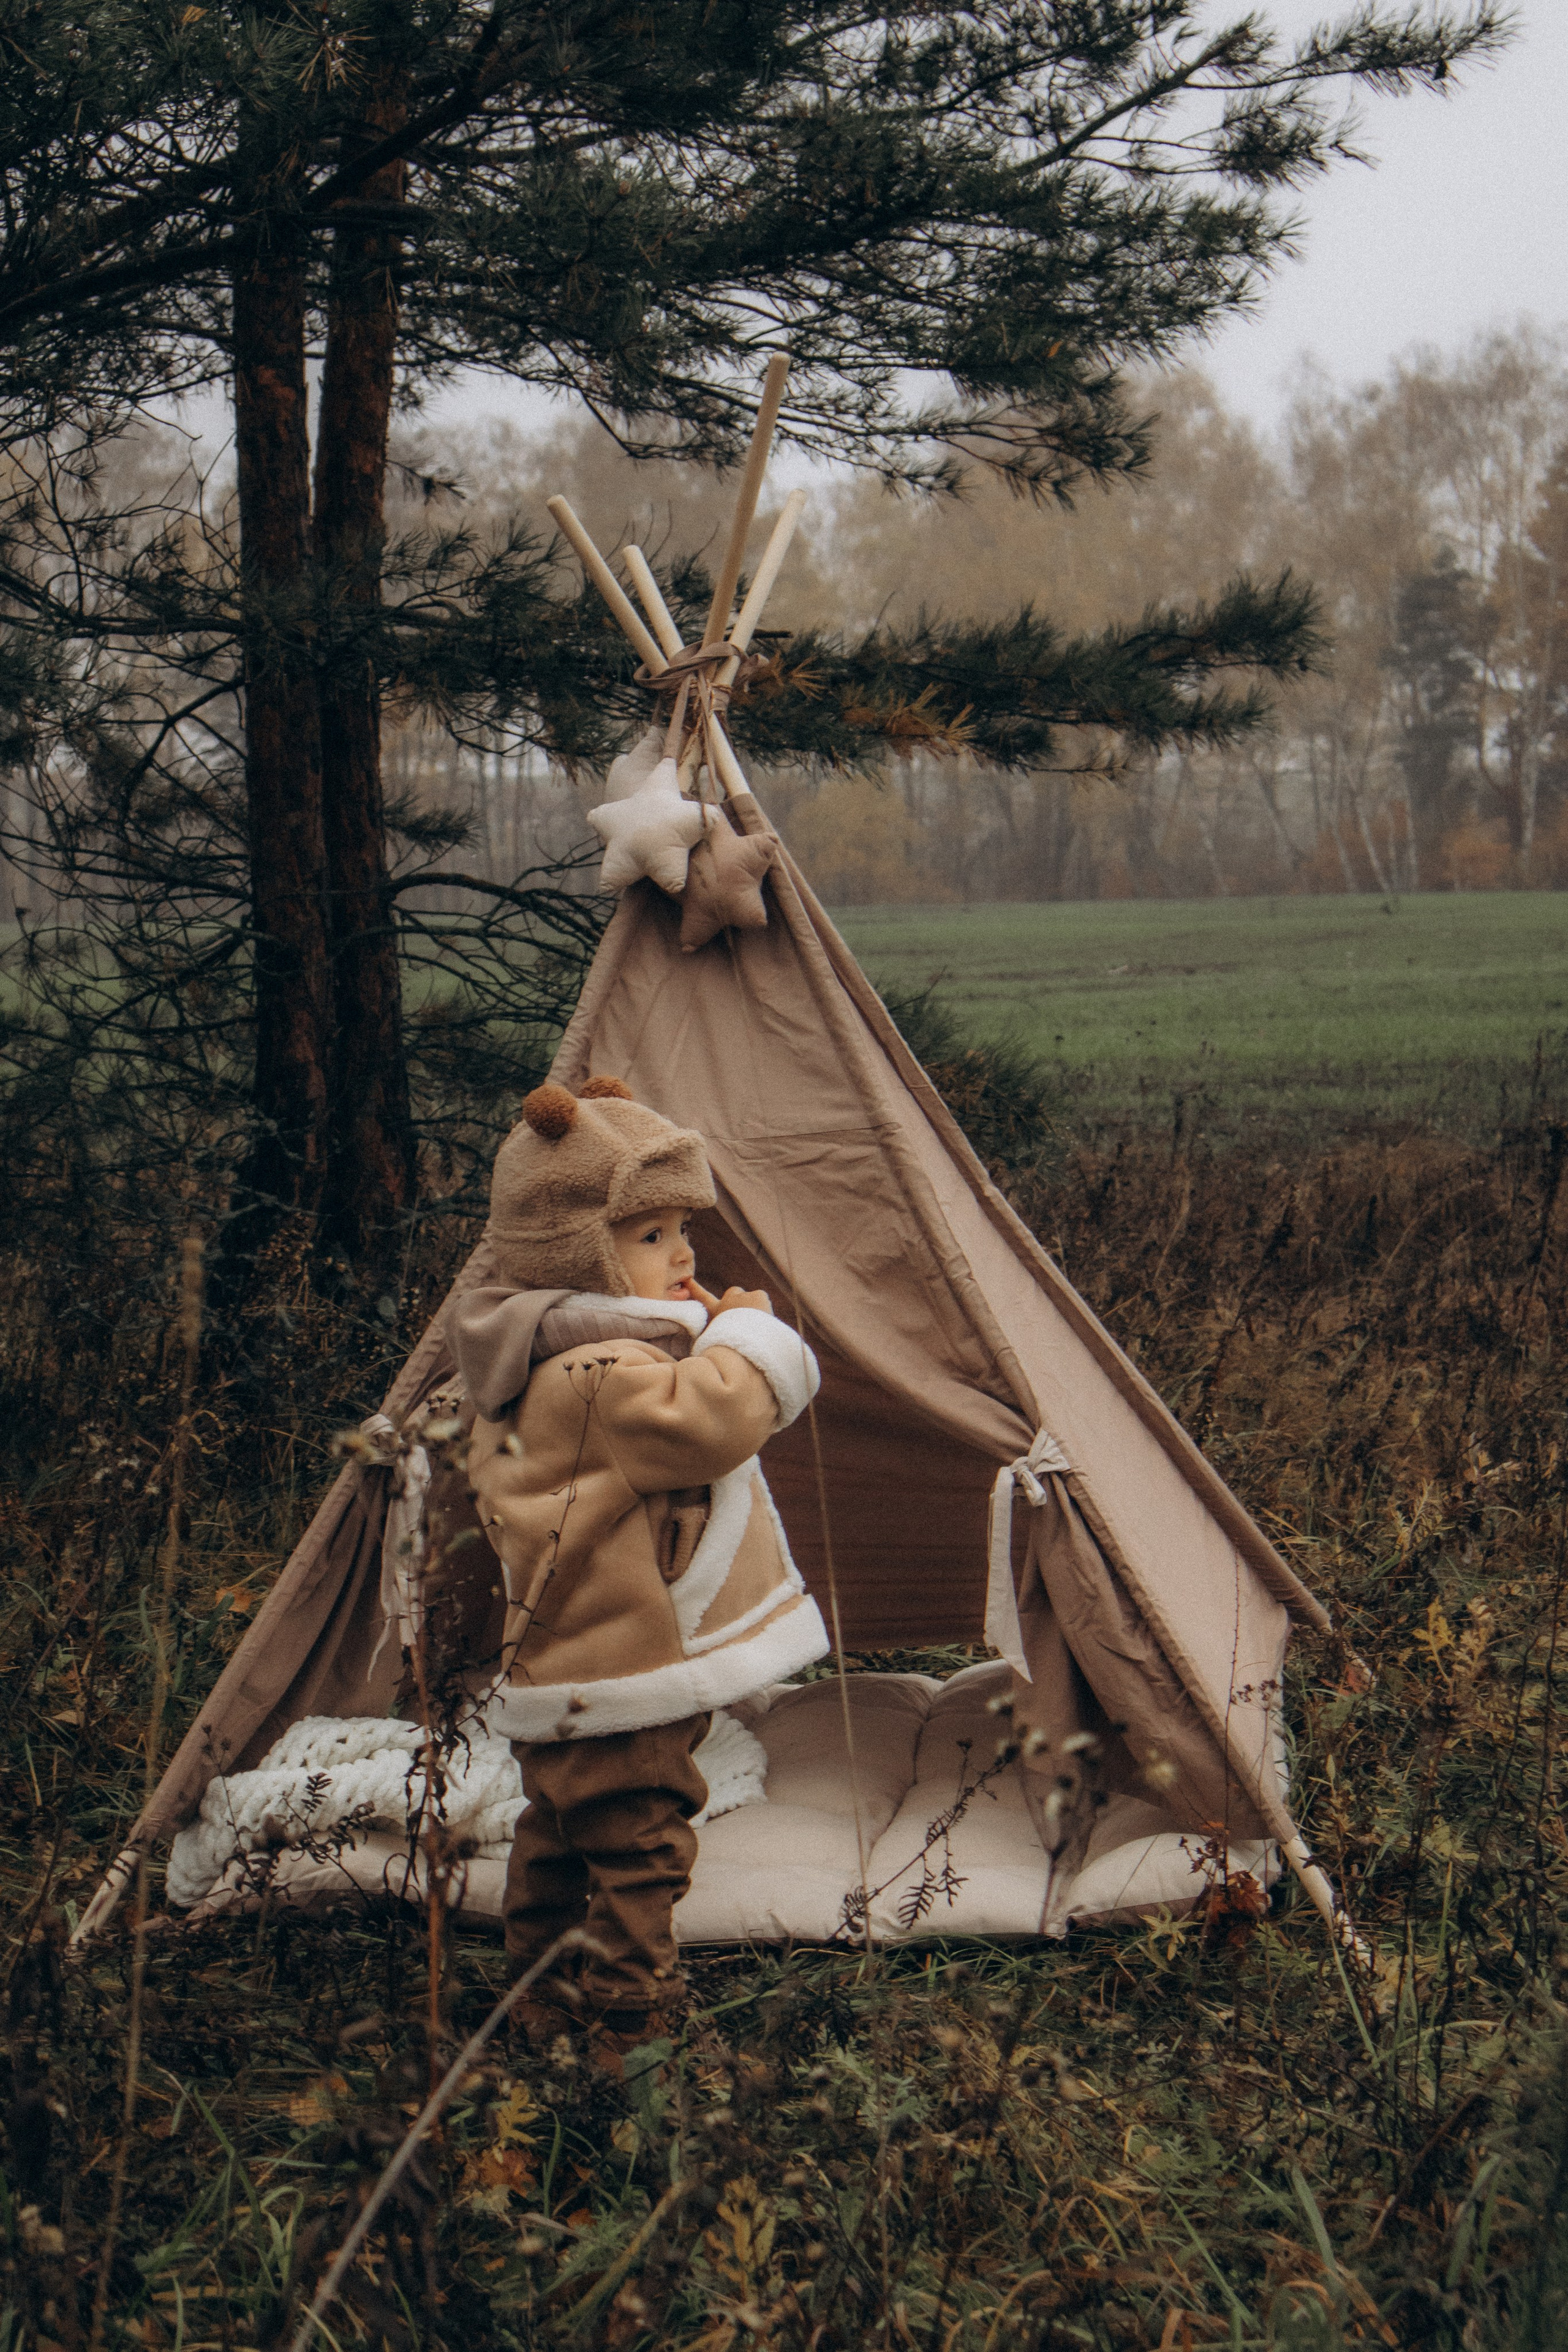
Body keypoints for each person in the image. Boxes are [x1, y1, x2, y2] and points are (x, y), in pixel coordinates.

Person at [445, 1076, 827, 2060]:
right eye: (649, 1235)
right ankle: (624, 2020)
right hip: (623, 1671)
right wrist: (750, 1332)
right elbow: (714, 1417)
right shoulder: (602, 1375)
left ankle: (535, 1997)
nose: (684, 1254)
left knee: (559, 1831)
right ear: (576, 1249)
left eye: (679, 1230)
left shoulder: (528, 1362)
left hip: (560, 1667)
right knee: (642, 1845)